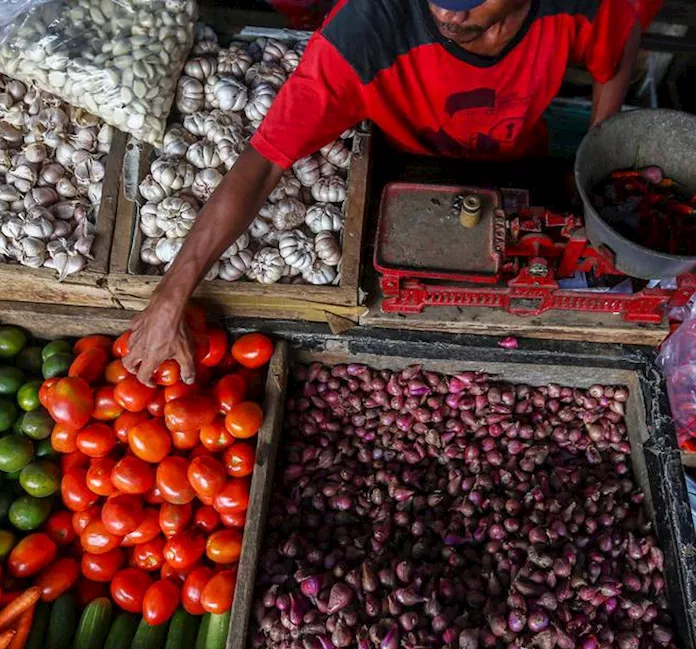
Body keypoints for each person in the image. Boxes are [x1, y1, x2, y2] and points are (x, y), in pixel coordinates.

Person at [123, 0, 646, 384]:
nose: (449, 15)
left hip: (523, 164)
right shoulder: (365, 31)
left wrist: (594, 157)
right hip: (408, 181)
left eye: (469, 3)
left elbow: (615, 55)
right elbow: (262, 163)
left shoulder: (582, 5)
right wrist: (172, 291)